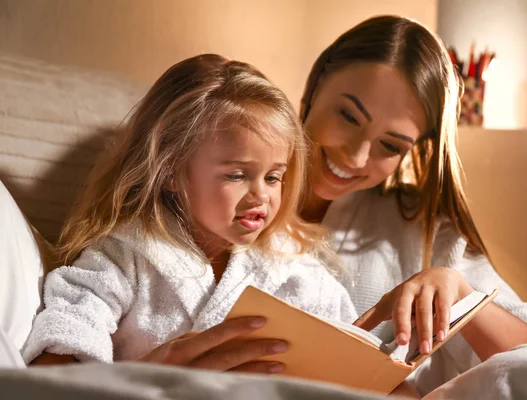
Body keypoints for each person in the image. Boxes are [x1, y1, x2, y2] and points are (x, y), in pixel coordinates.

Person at [21, 54, 357, 371]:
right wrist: (144, 381)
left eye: (273, 177)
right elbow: (59, 365)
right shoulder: (123, 260)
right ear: (171, 172)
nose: (261, 195)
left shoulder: (298, 274)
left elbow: (361, 361)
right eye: (236, 175)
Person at [297, 15, 527, 394]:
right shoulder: (217, 182)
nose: (356, 157)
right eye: (349, 116)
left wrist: (460, 292)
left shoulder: (419, 229)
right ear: (317, 80)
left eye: (390, 146)